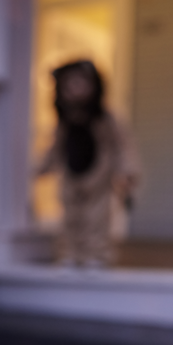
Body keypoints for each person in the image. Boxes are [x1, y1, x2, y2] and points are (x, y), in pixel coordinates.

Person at [36, 60, 139, 267]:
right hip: (71, 178)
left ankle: (97, 255)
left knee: (97, 220)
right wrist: (40, 167)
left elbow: (122, 147)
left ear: (95, 87)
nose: (75, 89)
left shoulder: (106, 120)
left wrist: (127, 171)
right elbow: (55, 148)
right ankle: (71, 255)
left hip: (98, 178)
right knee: (71, 219)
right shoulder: (64, 122)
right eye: (69, 85)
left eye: (81, 83)